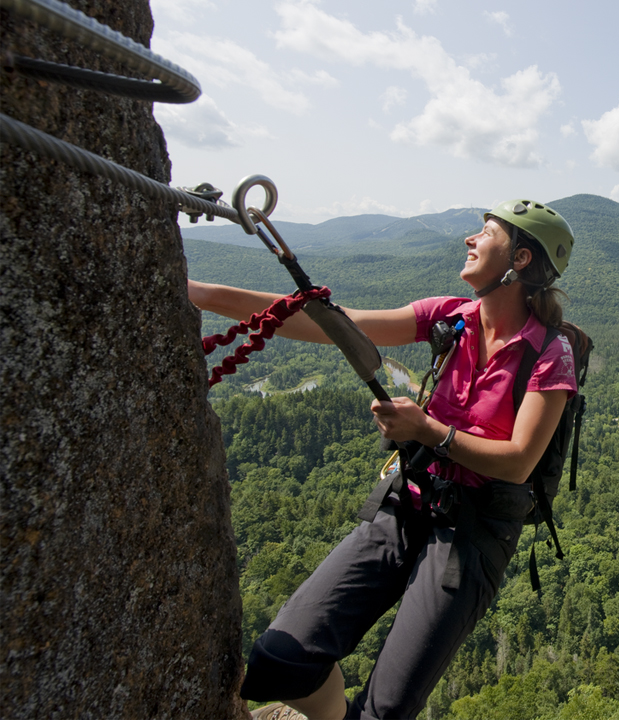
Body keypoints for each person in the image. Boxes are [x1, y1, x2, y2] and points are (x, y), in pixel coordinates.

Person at [189, 199, 579, 720]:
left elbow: (518, 462)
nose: (470, 239)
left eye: (485, 232)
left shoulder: (551, 353)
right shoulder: (448, 318)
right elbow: (336, 325)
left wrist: (428, 430)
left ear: (521, 260)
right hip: (406, 505)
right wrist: (201, 294)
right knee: (280, 658)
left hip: (473, 533)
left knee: (388, 709)